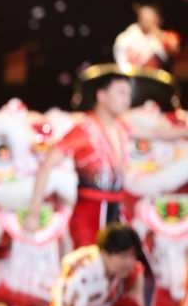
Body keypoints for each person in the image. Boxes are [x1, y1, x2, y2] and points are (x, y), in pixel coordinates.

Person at [26, 71, 188, 246]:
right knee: (91, 260)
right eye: (121, 93)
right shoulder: (85, 130)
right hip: (89, 214)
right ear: (102, 95)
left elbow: (157, 133)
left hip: (117, 210)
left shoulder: (122, 127)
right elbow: (46, 165)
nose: (127, 100)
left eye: (128, 94)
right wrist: (34, 210)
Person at [113, 4, 181, 69]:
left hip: (155, 75)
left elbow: (174, 51)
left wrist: (157, 34)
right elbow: (121, 61)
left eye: (150, 17)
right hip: (132, 74)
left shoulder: (164, 36)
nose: (147, 20)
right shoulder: (127, 36)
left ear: (158, 19)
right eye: (144, 17)